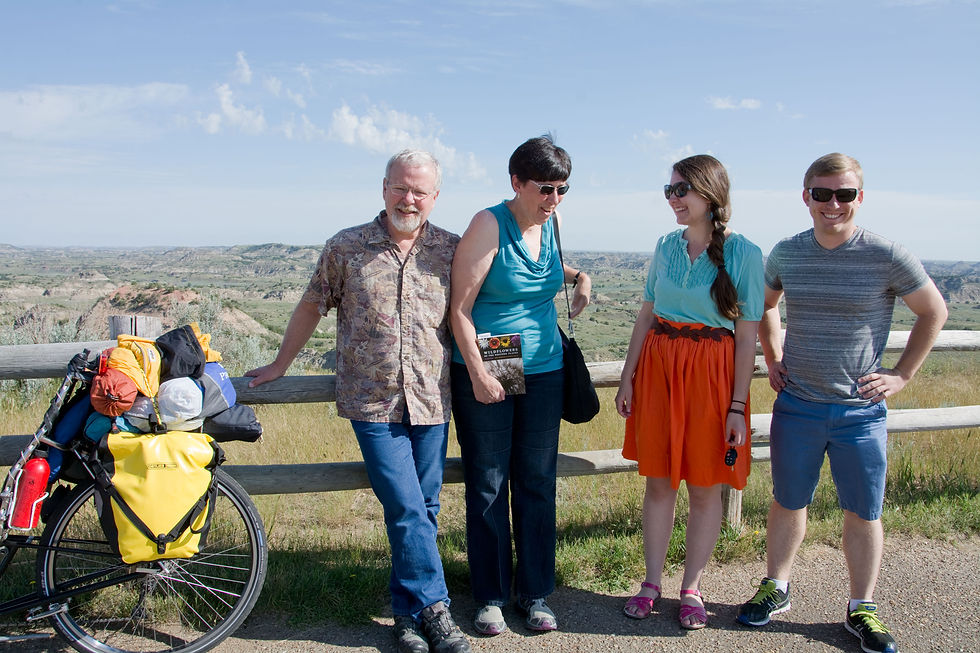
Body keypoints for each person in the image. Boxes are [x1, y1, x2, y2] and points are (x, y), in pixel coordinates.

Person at [245, 150, 471, 653]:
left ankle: (407, 617)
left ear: (435, 198)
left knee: (424, 507)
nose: (408, 199)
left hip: (431, 399)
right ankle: (438, 611)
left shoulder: (452, 249)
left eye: (420, 191)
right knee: (409, 506)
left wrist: (573, 276)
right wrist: (282, 363)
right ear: (383, 187)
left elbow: (500, 288)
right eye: (400, 187)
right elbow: (311, 305)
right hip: (372, 402)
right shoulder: (346, 247)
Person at [736, 153, 947, 653]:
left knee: (864, 510)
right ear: (805, 196)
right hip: (799, 402)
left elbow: (933, 311)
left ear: (859, 197)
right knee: (789, 501)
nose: (834, 204)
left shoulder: (886, 254)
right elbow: (765, 305)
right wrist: (773, 353)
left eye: (845, 194)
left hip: (860, 411)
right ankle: (777, 587)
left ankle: (862, 607)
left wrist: (901, 374)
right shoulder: (787, 253)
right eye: (823, 193)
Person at [449, 135, 590, 636]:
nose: (554, 199)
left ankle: (534, 592)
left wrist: (581, 277)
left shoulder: (549, 224)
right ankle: (489, 595)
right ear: (516, 182)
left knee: (537, 479)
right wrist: (481, 371)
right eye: (545, 188)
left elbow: (548, 268)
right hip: (498, 354)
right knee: (489, 479)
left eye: (563, 189)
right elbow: (459, 308)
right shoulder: (490, 223)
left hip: (546, 364)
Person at [615, 154, 764, 629]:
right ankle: (651, 582)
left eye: (682, 190)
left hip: (712, 379)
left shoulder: (744, 253)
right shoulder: (664, 246)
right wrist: (627, 377)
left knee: (705, 485)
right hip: (659, 373)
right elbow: (646, 315)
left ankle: (692, 587)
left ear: (710, 194)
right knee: (659, 482)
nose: (673, 199)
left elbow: (747, 337)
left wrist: (737, 406)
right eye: (669, 190)